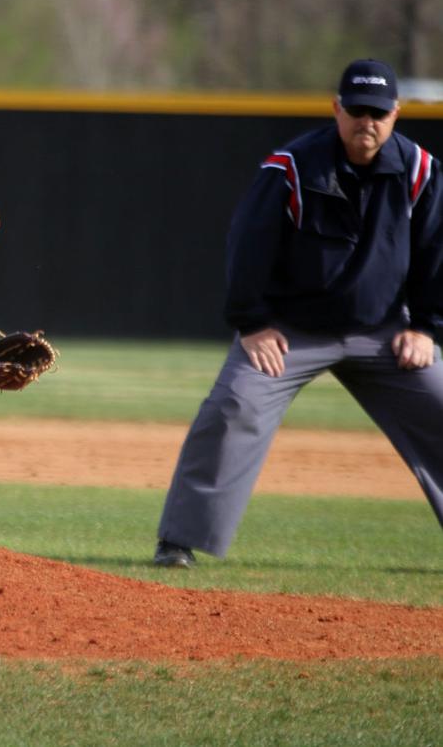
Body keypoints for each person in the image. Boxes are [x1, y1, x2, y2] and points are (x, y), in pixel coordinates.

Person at [153, 58, 443, 568]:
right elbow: (247, 244)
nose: (365, 122)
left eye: (377, 112)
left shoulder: (420, 171)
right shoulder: (293, 167)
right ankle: (179, 541)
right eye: (355, 110)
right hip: (290, 331)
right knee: (233, 406)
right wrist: (253, 322)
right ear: (336, 109)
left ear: (396, 114)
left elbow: (436, 254)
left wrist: (424, 326)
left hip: (382, 332)